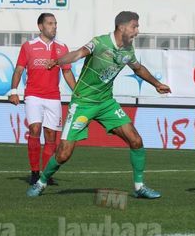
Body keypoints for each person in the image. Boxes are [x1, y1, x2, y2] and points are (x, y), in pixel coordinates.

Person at [27, 11, 171, 199]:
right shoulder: (100, 42)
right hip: (83, 103)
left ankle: (139, 187)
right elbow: (78, 54)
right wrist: (57, 61)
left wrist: (157, 84)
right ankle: (41, 182)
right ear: (122, 27)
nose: (137, 31)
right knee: (63, 154)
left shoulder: (128, 50)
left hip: (106, 103)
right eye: (134, 26)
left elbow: (138, 68)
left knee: (136, 140)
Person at [9, 13, 77, 185]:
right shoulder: (28, 46)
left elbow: (67, 72)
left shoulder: (62, 47)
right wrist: (13, 91)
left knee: (51, 136)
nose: (54, 26)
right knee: (35, 129)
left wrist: (78, 93)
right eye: (50, 23)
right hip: (33, 95)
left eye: (55, 23)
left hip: (53, 97)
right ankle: (34, 173)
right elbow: (18, 70)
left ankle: (46, 175)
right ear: (40, 26)